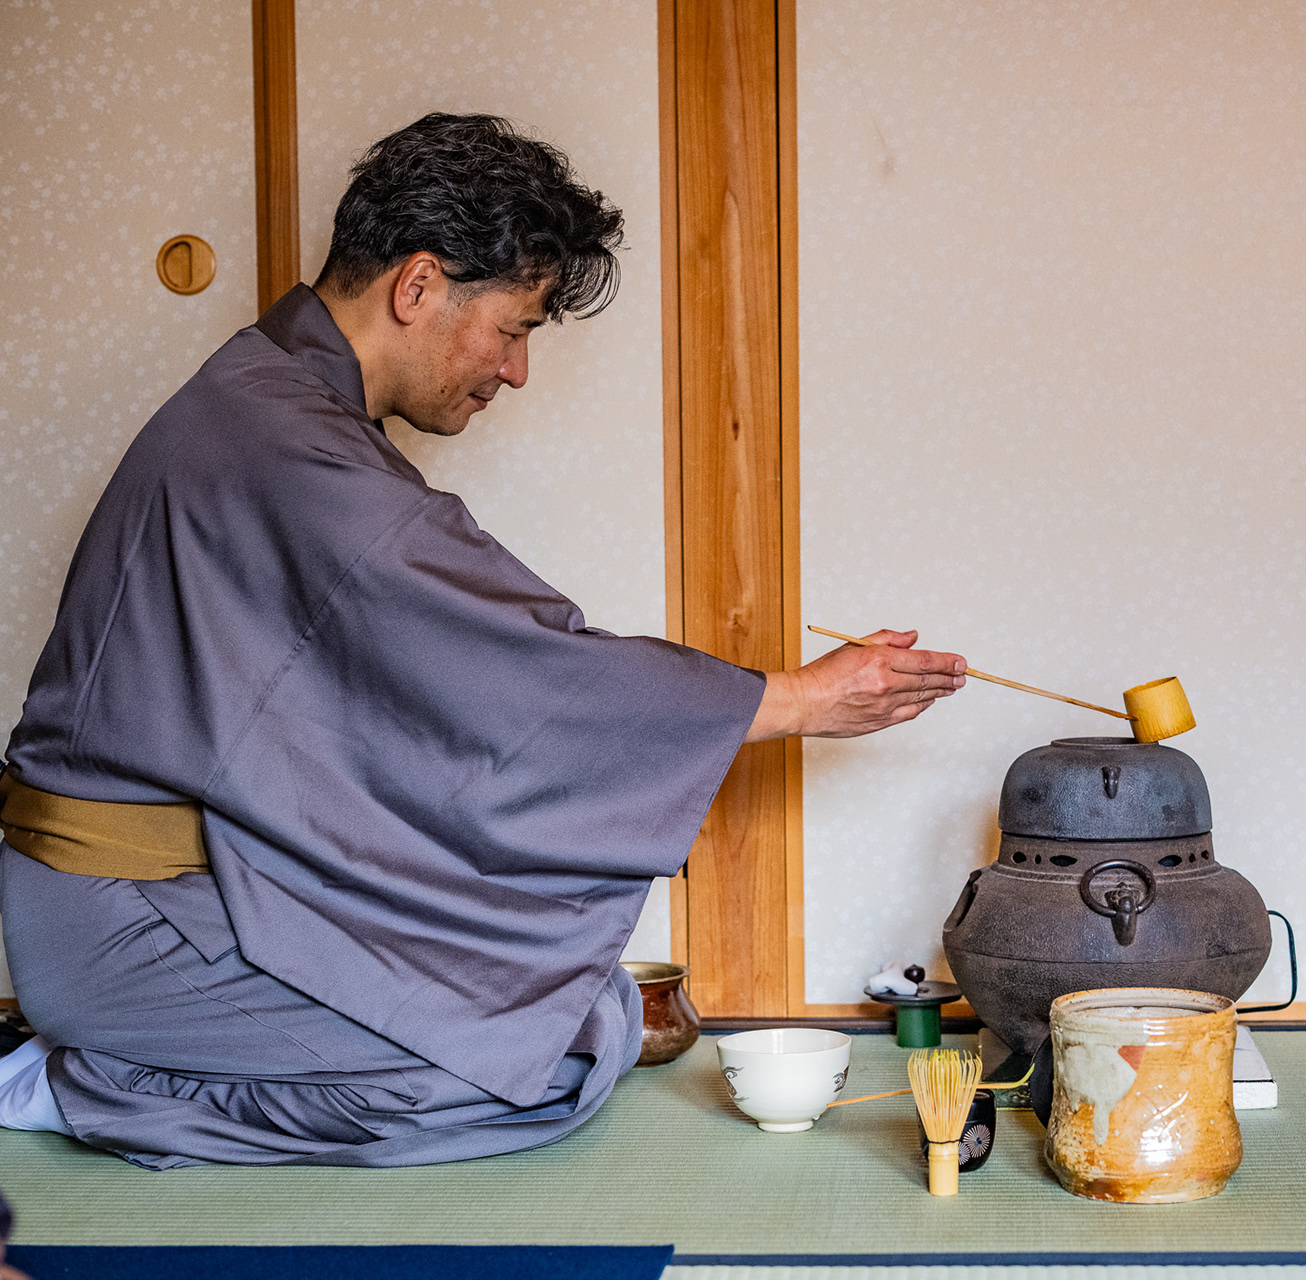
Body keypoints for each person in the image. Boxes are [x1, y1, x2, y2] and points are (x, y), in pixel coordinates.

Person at [0, 113, 965, 1168]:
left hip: (192, 887)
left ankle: (100, 1061)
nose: (513, 371)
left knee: (571, 1003)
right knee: (545, 1062)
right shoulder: (285, 446)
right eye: (512, 329)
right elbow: (514, 668)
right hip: (129, 920)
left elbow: (402, 698)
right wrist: (791, 700)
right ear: (417, 285)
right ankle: (68, 1083)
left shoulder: (268, 402)